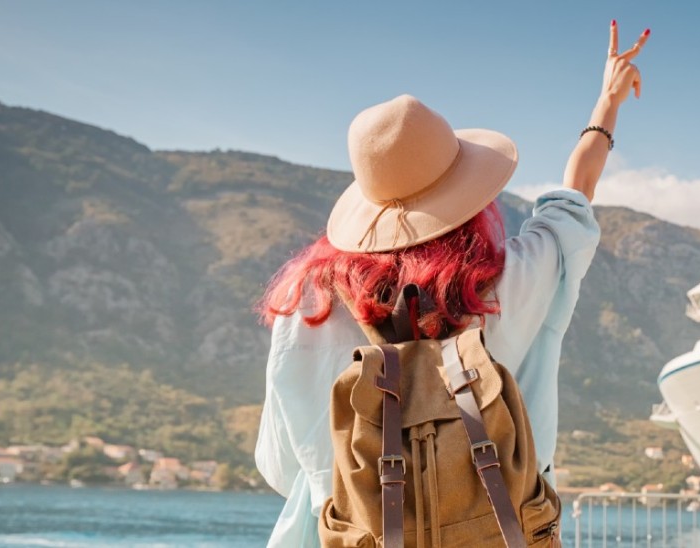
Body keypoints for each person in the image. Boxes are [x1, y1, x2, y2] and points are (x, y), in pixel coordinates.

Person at [253, 20, 650, 546]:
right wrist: (607, 103)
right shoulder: (512, 278)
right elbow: (573, 196)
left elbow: (281, 467)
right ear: (469, 194)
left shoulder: (310, 302)